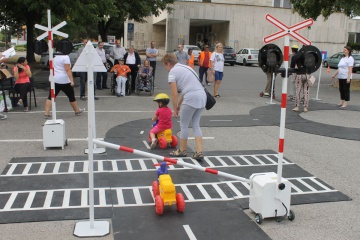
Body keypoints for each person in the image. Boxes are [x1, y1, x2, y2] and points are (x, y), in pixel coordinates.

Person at [161, 53, 206, 160]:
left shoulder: (172, 72)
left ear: (168, 64)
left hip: (191, 97)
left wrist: (175, 108)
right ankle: (199, 152)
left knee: (184, 124)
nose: (165, 68)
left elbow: (174, 94)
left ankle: (182, 150)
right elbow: (186, 89)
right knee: (196, 124)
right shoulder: (186, 67)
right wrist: (179, 106)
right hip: (202, 96)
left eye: (164, 65)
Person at [291, 48, 310, 113]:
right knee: (306, 91)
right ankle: (305, 107)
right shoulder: (308, 55)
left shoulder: (296, 56)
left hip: (299, 74)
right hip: (307, 74)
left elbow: (292, 66)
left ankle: (297, 106)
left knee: (298, 91)